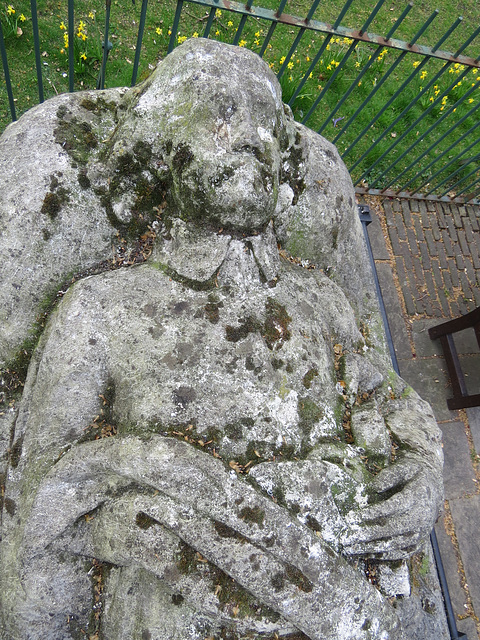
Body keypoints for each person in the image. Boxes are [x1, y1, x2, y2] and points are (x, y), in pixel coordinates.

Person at [0, 39, 442, 640]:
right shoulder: (102, 311)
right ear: (159, 150)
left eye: (268, 124)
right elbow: (41, 509)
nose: (252, 139)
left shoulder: (319, 302)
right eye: (220, 116)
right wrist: (148, 466)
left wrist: (422, 471)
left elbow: (388, 401)